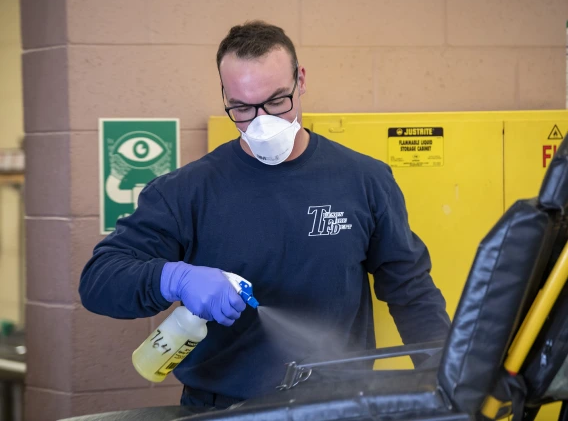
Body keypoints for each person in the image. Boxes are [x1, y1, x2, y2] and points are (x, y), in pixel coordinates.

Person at [79, 20, 451, 409]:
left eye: (277, 101)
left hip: (339, 407)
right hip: (223, 408)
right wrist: (174, 278)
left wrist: (448, 381)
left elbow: (411, 291)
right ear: (224, 95)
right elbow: (99, 281)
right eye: (241, 108)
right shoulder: (186, 191)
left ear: (300, 80)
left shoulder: (364, 179)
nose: (262, 122)